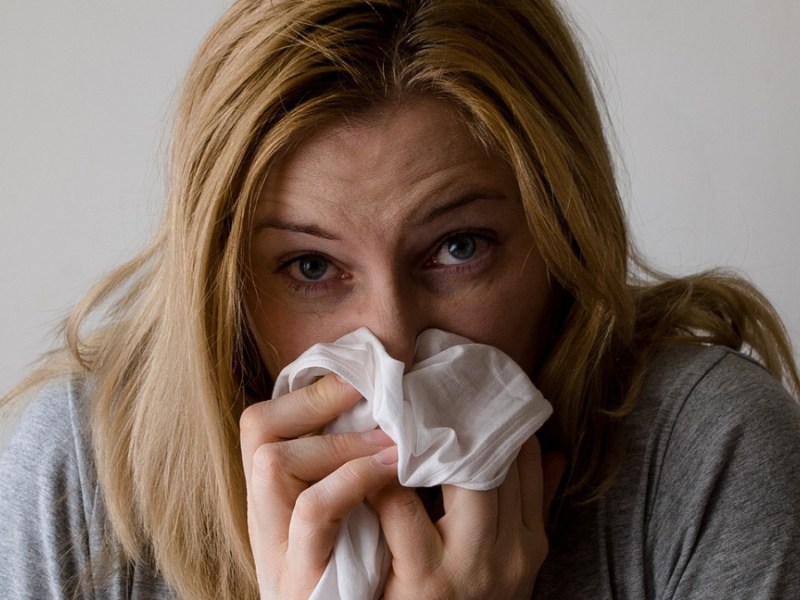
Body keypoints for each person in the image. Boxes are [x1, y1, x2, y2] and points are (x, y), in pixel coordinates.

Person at [2, 0, 799, 598]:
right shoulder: (86, 477)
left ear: (564, 243)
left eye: (459, 249)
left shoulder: (703, 454)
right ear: (224, 289)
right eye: (311, 267)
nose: (388, 341)